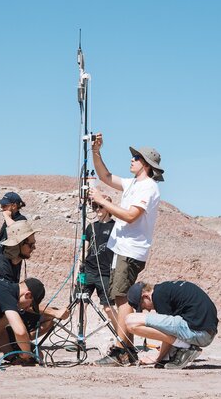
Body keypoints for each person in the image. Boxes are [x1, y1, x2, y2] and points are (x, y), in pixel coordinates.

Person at [88, 132, 163, 366]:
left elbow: (131, 216)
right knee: (121, 299)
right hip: (121, 249)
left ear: (147, 166)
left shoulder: (148, 188)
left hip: (131, 250)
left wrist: (103, 201)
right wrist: (96, 151)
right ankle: (126, 348)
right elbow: (105, 176)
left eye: (137, 158)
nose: (132, 159)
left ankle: (122, 350)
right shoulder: (133, 184)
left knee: (122, 299)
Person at [0, 220, 69, 337]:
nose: (34, 248)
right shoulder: (1, 268)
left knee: (49, 318)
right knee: (50, 314)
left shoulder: (15, 261)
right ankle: (15, 343)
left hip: (7, 310)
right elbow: (16, 302)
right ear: (19, 244)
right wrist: (53, 312)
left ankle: (19, 342)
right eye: (30, 245)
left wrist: (52, 312)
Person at [125, 280, 218, 369]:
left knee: (131, 321)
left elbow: (167, 330)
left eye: (143, 306)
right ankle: (181, 349)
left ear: (145, 296)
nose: (148, 310)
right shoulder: (165, 289)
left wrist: (157, 358)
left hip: (198, 333)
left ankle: (186, 347)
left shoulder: (157, 295)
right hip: (205, 333)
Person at [81, 196, 115, 336]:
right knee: (82, 305)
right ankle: (80, 338)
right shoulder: (91, 227)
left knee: (108, 308)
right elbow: (84, 247)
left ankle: (122, 336)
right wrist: (79, 266)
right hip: (88, 270)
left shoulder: (115, 227)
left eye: (101, 206)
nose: (97, 210)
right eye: (95, 207)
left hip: (105, 273)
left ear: (108, 207)